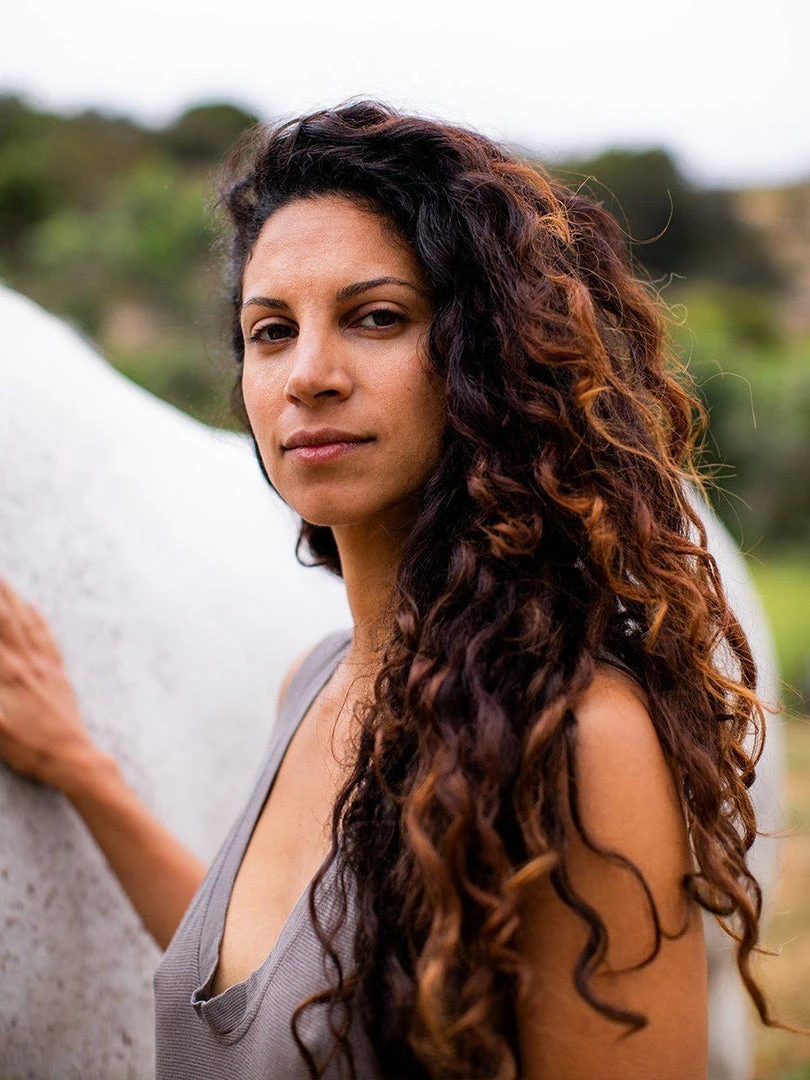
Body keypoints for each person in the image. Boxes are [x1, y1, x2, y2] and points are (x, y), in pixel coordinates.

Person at [0, 101, 776, 1080]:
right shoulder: (314, 684)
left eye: (376, 318)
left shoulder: (578, 739)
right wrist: (78, 767)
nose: (308, 376)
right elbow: (263, 999)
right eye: (271, 331)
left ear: (485, 355)